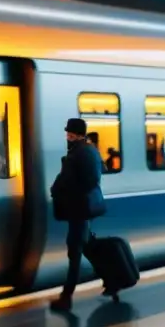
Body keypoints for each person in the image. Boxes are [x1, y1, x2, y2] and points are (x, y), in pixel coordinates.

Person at [50, 117, 106, 312]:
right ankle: (112, 278)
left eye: (69, 133)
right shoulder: (92, 150)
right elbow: (101, 170)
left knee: (74, 252)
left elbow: (63, 182)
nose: (67, 136)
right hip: (87, 208)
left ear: (76, 135)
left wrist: (55, 191)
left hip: (78, 209)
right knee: (84, 245)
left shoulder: (75, 155)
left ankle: (66, 297)